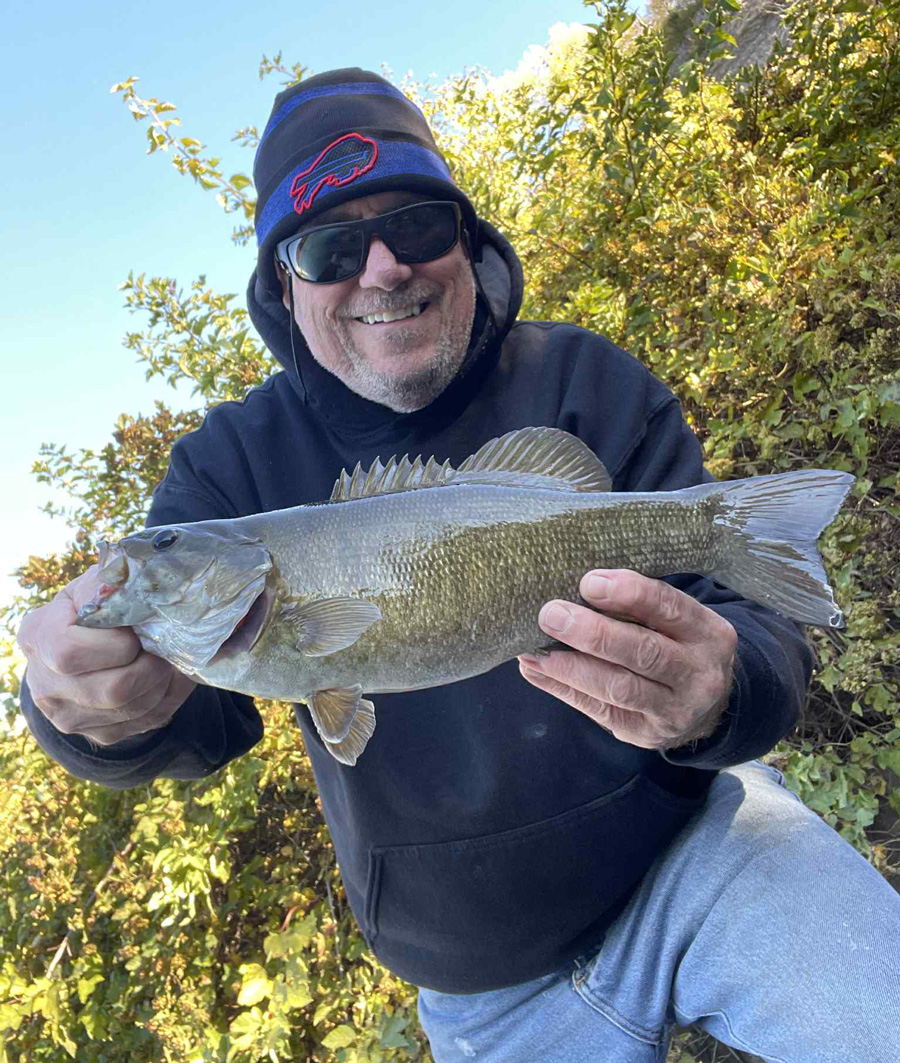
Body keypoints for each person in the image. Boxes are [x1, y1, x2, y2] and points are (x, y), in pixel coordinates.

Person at [17, 68, 900, 1062]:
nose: (383, 267)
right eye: (330, 247)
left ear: (467, 242)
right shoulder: (229, 476)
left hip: (708, 857)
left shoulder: (586, 382)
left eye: (421, 224)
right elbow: (188, 725)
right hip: (486, 991)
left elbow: (758, 635)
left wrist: (725, 686)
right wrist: (76, 713)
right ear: (282, 283)